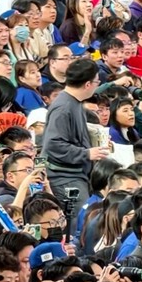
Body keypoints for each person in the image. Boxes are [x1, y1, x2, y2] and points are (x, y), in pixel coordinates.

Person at [41, 59, 106, 215]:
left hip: (76, 174)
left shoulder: (74, 102)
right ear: (88, 84)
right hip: (64, 177)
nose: (97, 85)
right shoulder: (64, 107)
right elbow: (53, 144)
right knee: (82, 220)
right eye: (97, 82)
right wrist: (87, 153)